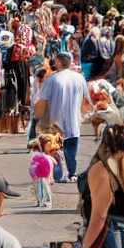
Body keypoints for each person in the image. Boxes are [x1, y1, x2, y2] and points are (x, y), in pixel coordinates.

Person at [33, 51, 89, 181]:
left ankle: (58, 176)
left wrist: (37, 117)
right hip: (73, 123)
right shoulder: (80, 78)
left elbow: (42, 103)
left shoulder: (51, 79)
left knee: (55, 150)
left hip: (55, 124)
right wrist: (81, 116)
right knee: (71, 151)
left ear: (58, 62)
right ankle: (72, 173)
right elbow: (85, 101)